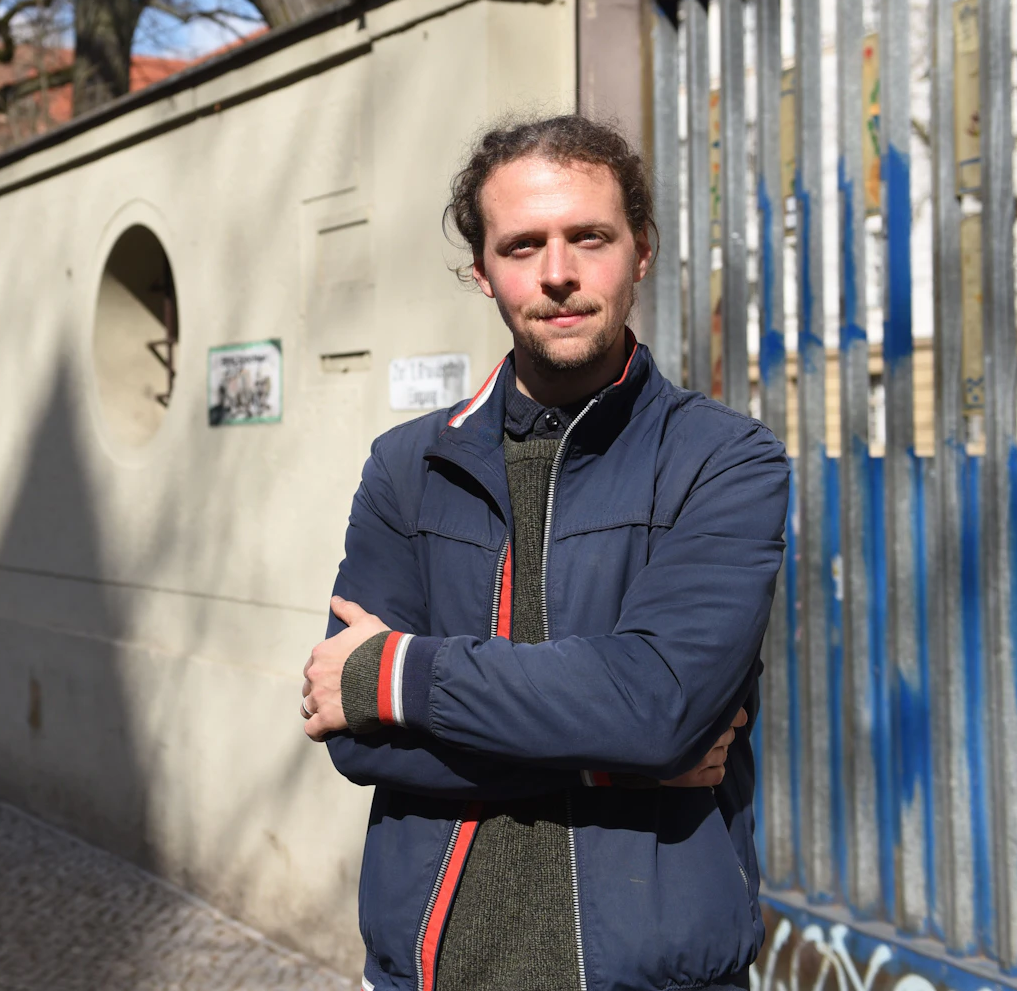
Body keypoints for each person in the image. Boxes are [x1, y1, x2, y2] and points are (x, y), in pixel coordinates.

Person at [300, 115, 789, 991]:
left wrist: (403, 678)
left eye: (589, 236)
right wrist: (616, 756)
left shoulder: (723, 458)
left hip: (654, 975)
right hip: (428, 972)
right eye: (523, 244)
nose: (558, 272)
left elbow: (659, 707)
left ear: (640, 250)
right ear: (482, 270)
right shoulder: (408, 468)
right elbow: (354, 733)